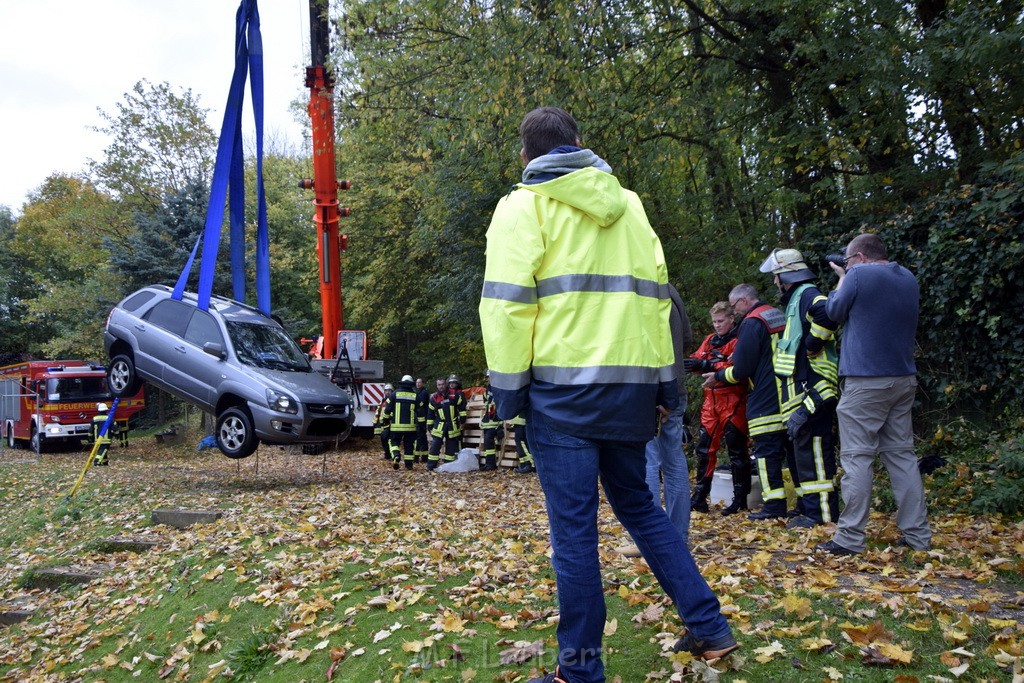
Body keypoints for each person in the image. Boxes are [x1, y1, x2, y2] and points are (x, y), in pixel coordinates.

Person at [480, 106, 738, 683]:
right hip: (629, 396)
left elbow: (505, 307)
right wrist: (666, 386)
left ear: (526, 156)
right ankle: (709, 626)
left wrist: (507, 395)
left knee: (573, 533)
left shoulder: (521, 208)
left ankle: (579, 670)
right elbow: (656, 304)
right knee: (641, 510)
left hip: (559, 401)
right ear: (578, 142)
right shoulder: (632, 207)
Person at [816, 234, 932, 555]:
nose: (846, 264)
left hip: (865, 381)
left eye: (848, 259)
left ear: (861, 257)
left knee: (856, 457)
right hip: (903, 378)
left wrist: (842, 279)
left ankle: (850, 538)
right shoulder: (907, 277)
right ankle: (918, 536)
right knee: (902, 456)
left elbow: (834, 312)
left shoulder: (857, 274)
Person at [759, 248, 840, 528]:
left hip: (816, 389)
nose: (774, 282)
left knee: (816, 455)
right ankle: (810, 510)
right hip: (805, 392)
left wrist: (813, 344)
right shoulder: (795, 299)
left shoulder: (806, 293)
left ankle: (822, 516)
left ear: (785, 274)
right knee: (806, 455)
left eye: (776, 276)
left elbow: (828, 313)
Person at [706, 284, 790, 520]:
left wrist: (719, 376)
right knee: (790, 451)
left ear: (743, 301)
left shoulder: (752, 322)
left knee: (765, 452)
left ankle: (774, 505)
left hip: (764, 395)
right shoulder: (776, 314)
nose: (736, 312)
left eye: (734, 306)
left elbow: (742, 368)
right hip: (788, 391)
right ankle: (804, 503)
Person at [684, 301, 750, 516]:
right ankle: (700, 496)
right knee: (704, 450)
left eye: (721, 321)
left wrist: (708, 365)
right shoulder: (710, 340)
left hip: (733, 400)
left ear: (731, 319)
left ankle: (740, 498)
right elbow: (698, 360)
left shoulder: (738, 340)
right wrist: (692, 363)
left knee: (737, 451)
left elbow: (737, 368)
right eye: (714, 321)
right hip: (710, 401)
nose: (717, 325)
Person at [644, 284, 694, 539]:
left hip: (652, 390)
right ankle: (678, 536)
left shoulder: (640, 289)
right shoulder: (672, 291)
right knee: (674, 462)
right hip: (677, 387)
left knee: (649, 462)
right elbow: (686, 339)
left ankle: (654, 539)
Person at [428, 374, 467, 468]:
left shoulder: (455, 395)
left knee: (451, 446)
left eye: (442, 384)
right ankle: (431, 466)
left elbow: (462, 406)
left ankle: (448, 465)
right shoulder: (434, 398)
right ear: (437, 386)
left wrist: (462, 419)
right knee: (435, 445)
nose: (441, 386)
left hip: (452, 425)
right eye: (439, 385)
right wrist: (430, 426)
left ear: (445, 384)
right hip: (439, 425)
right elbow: (430, 413)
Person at [386, 375, 421, 470]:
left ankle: (396, 455)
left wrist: (384, 421)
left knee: (393, 442)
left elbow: (387, 409)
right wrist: (421, 425)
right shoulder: (415, 395)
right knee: (409, 445)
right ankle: (409, 465)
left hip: (396, 427)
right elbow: (420, 412)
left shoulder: (394, 394)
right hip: (411, 427)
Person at [479, 371, 501, 471]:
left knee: (489, 441)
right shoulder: (488, 389)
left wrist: (500, 425)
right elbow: (487, 404)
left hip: (495, 422)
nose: (489, 379)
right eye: (488, 377)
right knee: (487, 444)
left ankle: (491, 464)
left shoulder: (499, 389)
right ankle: (489, 464)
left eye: (490, 377)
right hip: (488, 421)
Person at [373, 384, 393, 460]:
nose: (387, 392)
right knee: (383, 440)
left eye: (389, 391)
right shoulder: (382, 401)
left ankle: (390, 455)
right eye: (386, 391)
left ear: (392, 392)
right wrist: (375, 422)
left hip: (389, 424)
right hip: (382, 425)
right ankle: (387, 455)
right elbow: (377, 412)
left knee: (389, 440)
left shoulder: (392, 401)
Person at [414, 378, 430, 463]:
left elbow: (421, 405)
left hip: (421, 419)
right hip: (421, 418)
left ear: (423, 383)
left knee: (419, 438)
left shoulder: (423, 393)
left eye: (419, 382)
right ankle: (425, 457)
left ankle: (415, 457)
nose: (418, 384)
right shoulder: (419, 392)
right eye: (417, 382)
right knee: (423, 438)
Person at [91, 402, 111, 466]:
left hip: (97, 439)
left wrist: (90, 437)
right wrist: (117, 434)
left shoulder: (94, 419)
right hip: (106, 438)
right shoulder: (109, 418)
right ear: (105, 410)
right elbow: (115, 427)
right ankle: (97, 461)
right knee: (104, 450)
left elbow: (90, 429)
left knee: (101, 450)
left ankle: (105, 462)